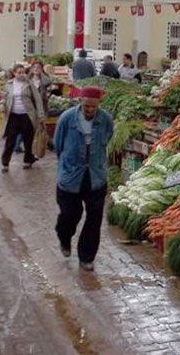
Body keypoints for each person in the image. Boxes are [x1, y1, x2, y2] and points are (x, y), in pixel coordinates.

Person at [53, 86, 113, 271]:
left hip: (95, 176)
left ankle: (86, 256)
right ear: (80, 102)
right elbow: (58, 144)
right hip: (71, 177)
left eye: (94, 107)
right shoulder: (67, 118)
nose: (90, 110)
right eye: (87, 106)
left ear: (98, 105)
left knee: (94, 218)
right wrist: (68, 163)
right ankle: (64, 236)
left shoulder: (105, 120)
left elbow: (108, 139)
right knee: (70, 215)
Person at [0, 64, 46, 172]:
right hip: (13, 115)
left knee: (28, 139)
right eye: (19, 72)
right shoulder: (9, 84)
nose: (21, 74)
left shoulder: (29, 84)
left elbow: (38, 99)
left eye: (23, 72)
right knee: (10, 139)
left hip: (27, 115)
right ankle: (5, 162)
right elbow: (4, 97)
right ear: (14, 73)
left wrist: (41, 115)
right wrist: (2, 104)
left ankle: (27, 160)